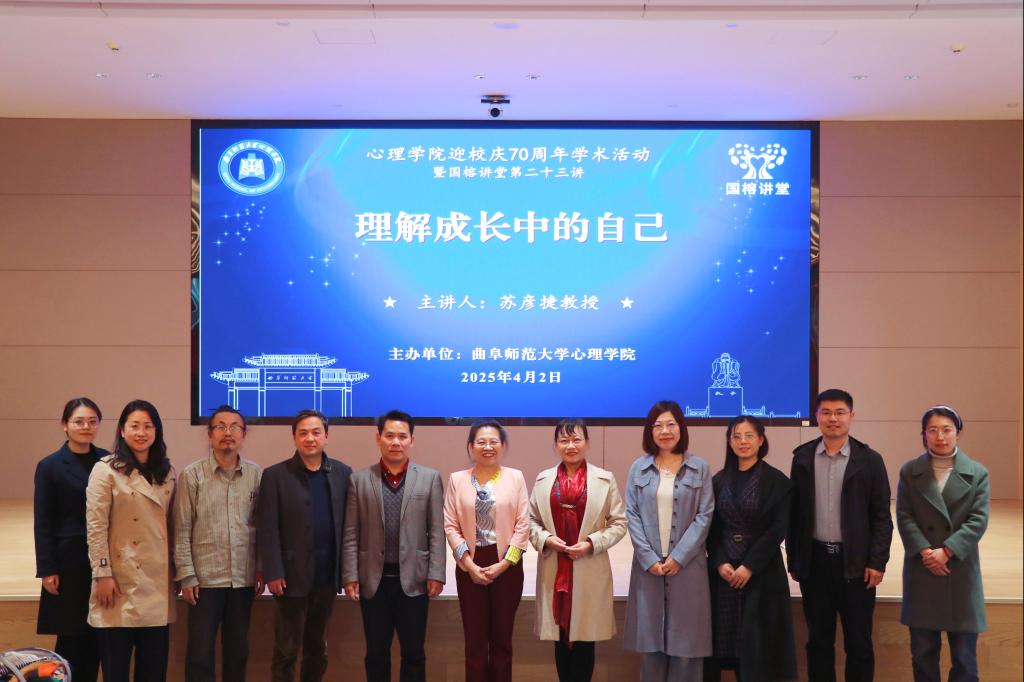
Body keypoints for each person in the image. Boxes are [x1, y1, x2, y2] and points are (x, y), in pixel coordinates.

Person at [786, 388, 893, 682]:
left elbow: (881, 517)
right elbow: (794, 515)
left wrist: (877, 561)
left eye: (840, 412)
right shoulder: (802, 458)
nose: (833, 418)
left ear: (851, 416)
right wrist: (794, 560)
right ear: (817, 416)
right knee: (818, 642)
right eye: (826, 412)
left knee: (859, 643)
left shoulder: (870, 460)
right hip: (816, 563)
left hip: (856, 565)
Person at [342, 410, 446, 682]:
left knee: (414, 654)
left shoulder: (429, 478)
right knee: (376, 653)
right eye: (389, 436)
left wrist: (436, 573)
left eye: (402, 436)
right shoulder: (359, 480)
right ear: (378, 438)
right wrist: (350, 575)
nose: (396, 442)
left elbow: (437, 530)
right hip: (373, 582)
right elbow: (351, 532)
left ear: (412, 439)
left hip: (415, 580)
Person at [528, 418, 627, 682]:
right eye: (564, 440)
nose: (570, 446)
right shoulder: (543, 480)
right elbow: (530, 521)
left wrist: (591, 543)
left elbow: (619, 523)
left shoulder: (604, 479)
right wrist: (547, 539)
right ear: (556, 445)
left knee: (584, 639)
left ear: (587, 443)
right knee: (559, 637)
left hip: (589, 568)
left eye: (576, 440)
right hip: (555, 569)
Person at [256, 408, 352, 682]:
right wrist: (273, 571)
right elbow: (268, 528)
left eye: (316, 432)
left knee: (317, 650)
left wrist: (347, 573)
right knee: (286, 651)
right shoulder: (275, 475)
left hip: (326, 577)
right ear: (294, 438)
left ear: (326, 436)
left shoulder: (342, 473)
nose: (310, 438)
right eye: (303, 433)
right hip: (289, 577)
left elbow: (348, 526)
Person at [85, 399, 177, 682]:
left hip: (156, 585)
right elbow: (96, 526)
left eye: (148, 426)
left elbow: (173, 526)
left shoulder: (167, 472)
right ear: (122, 431)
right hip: (117, 582)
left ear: (157, 431)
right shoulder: (105, 469)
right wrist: (102, 573)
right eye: (134, 426)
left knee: (154, 671)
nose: (141, 432)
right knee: (116, 671)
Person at [896, 405, 989, 682]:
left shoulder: (977, 473)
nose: (940, 436)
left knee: (965, 659)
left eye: (947, 430)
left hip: (959, 569)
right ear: (923, 434)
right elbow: (904, 515)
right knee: (923, 656)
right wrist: (926, 552)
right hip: (923, 569)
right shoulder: (910, 471)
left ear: (958, 433)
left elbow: (978, 520)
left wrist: (947, 551)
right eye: (932, 430)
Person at [623, 400, 714, 682]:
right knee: (651, 647)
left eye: (671, 424)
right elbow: (631, 514)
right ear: (650, 431)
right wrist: (649, 558)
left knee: (687, 646)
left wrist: (680, 556)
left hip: (688, 568)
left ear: (681, 428)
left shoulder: (699, 467)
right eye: (658, 425)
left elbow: (705, 515)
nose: (665, 431)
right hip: (649, 569)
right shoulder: (638, 468)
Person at [174, 405, 263, 682]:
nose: (228, 432)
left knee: (238, 652)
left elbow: (262, 528)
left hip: (242, 579)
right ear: (209, 434)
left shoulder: (256, 475)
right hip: (204, 581)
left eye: (235, 427)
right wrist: (187, 575)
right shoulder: (192, 475)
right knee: (200, 654)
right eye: (220, 427)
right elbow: (182, 529)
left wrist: (260, 569)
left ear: (244, 434)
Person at [705, 415, 796, 682]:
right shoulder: (718, 480)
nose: (742, 442)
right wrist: (720, 562)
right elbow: (711, 528)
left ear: (761, 440)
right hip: (724, 575)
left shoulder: (778, 482)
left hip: (762, 572)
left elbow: (777, 529)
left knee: (759, 649)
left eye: (749, 436)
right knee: (725, 642)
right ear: (729, 442)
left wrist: (749, 566)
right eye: (736, 436)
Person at [443, 420, 530, 682]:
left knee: (502, 642)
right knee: (475, 642)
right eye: (481, 441)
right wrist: (469, 565)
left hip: (507, 566)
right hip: (470, 565)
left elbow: (523, 526)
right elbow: (450, 525)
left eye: (494, 442)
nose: (488, 447)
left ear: (503, 445)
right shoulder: (457, 479)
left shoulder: (515, 477)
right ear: (471, 446)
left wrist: (505, 564)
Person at [33, 397, 108, 682]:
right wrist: (47, 568)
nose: (86, 426)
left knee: (98, 635)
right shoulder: (49, 466)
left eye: (92, 421)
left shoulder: (108, 460)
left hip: (102, 561)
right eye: (79, 421)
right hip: (68, 563)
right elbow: (43, 521)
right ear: (65, 425)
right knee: (70, 639)